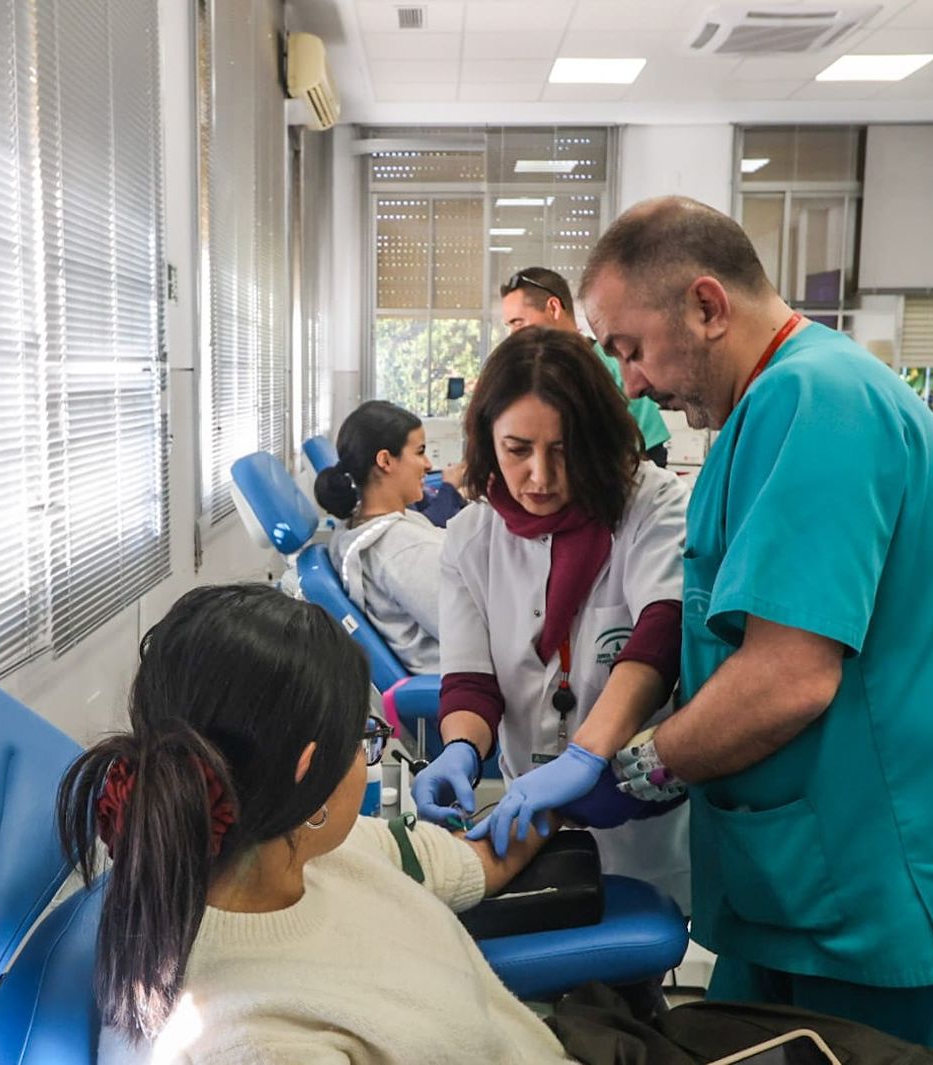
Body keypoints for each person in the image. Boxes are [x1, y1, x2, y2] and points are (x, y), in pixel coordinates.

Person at [577, 196, 933, 1058]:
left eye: (630, 347)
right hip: (802, 877)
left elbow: (787, 676)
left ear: (707, 307)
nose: (629, 381)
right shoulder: (774, 406)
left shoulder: (819, 401)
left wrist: (638, 769)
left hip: (893, 881)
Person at [55, 584, 574, 1062]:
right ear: (309, 769)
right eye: (365, 739)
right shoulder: (253, 1042)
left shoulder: (312, 850)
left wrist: (558, 799)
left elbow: (473, 863)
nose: (366, 754)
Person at [410, 326, 693, 907]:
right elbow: (471, 681)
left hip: (637, 803)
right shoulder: (470, 536)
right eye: (517, 450)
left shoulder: (651, 505)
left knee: (641, 936)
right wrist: (460, 748)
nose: (539, 476)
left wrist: (589, 755)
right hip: (530, 803)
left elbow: (660, 635)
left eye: (563, 450)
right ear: (488, 439)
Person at [314, 400, 449, 674]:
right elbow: (469, 634)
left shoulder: (357, 527)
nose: (428, 464)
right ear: (385, 460)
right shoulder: (399, 549)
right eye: (420, 452)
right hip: (465, 685)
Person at [501, 266, 673, 468]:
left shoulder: (608, 362)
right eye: (509, 326)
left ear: (554, 308)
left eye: (518, 323)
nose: (514, 335)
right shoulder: (543, 372)